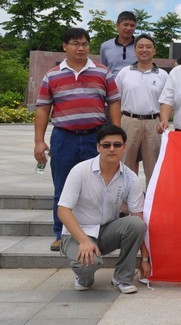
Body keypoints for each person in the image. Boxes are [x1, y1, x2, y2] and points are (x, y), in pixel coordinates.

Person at [34, 28, 121, 252]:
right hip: (64, 138)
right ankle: (60, 234)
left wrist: (115, 133)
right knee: (62, 187)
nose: (81, 48)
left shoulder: (103, 72)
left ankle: (99, 232)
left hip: (95, 137)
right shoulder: (52, 75)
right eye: (75, 43)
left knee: (99, 186)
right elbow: (43, 108)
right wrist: (39, 141)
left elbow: (114, 101)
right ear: (65, 46)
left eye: (85, 44)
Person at [57, 124, 149, 294]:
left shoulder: (130, 177)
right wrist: (84, 240)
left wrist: (145, 258)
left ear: (124, 147)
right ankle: (84, 277)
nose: (112, 149)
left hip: (106, 231)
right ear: (98, 147)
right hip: (77, 233)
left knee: (136, 224)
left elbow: (138, 217)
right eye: (106, 145)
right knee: (86, 266)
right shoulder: (80, 171)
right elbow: (63, 210)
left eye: (117, 145)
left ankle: (122, 278)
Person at [115, 34, 168, 186]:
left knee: (154, 164)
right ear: (135, 50)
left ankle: (152, 198)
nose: (144, 50)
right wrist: (117, 125)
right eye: (140, 46)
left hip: (154, 124)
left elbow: (167, 102)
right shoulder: (124, 73)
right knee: (125, 163)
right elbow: (116, 100)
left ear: (154, 51)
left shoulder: (163, 75)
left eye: (148, 47)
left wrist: (163, 121)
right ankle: (127, 199)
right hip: (128, 121)